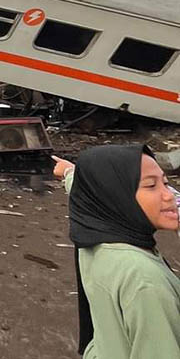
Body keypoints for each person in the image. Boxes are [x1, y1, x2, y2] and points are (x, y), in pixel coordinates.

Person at [53, 146, 180, 358]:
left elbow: (90, 187)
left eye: (166, 183)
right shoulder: (144, 281)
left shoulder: (93, 233)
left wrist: (70, 173)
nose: (170, 196)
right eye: (151, 185)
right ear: (118, 196)